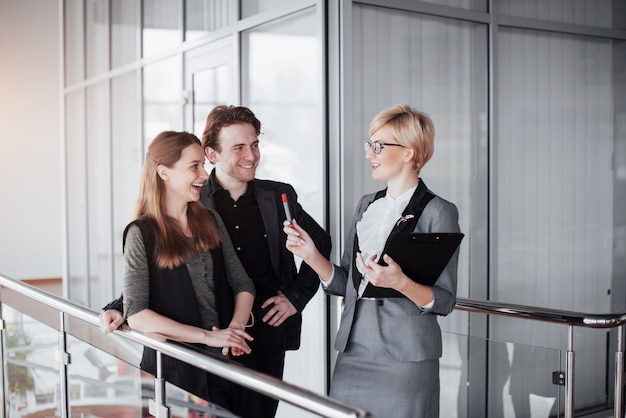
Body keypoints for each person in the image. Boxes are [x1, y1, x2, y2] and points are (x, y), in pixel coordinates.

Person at [100, 105, 332, 418]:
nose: (251, 155)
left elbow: (319, 243)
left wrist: (295, 298)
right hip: (205, 336)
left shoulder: (277, 196)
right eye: (239, 147)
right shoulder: (194, 200)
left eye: (255, 144)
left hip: (262, 330)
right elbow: (160, 274)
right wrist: (120, 305)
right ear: (212, 154)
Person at [282, 104, 461, 418]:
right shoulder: (367, 205)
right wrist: (310, 255)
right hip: (354, 350)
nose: (369, 154)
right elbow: (344, 283)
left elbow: (445, 301)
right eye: (370, 145)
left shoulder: (439, 211)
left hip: (405, 357)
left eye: (379, 146)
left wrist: (400, 283)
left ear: (409, 152)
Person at [120, 130, 255, 410]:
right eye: (194, 166)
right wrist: (209, 337)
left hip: (224, 365)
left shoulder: (210, 220)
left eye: (203, 165)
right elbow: (137, 315)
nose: (204, 175)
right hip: (172, 371)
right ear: (164, 172)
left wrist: (234, 331)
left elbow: (243, 284)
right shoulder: (141, 233)